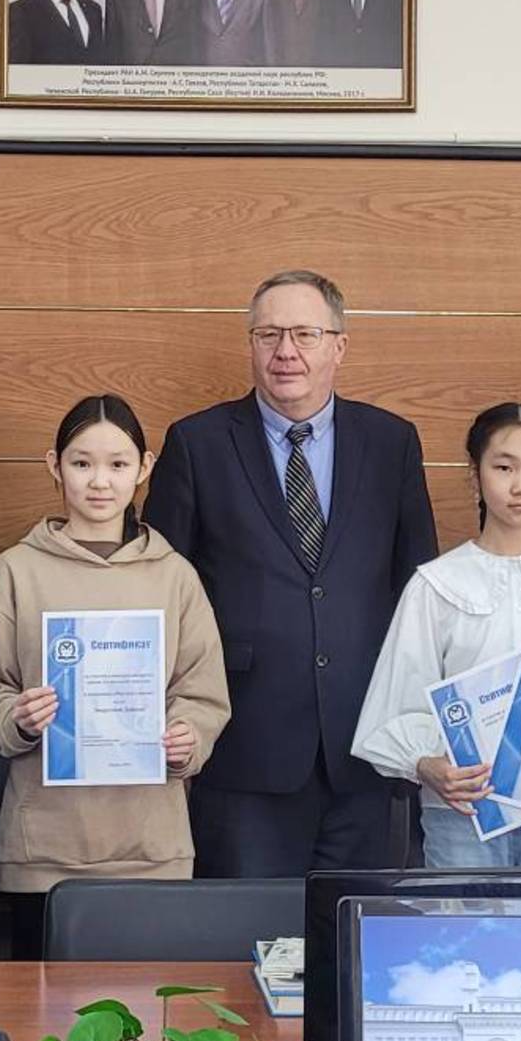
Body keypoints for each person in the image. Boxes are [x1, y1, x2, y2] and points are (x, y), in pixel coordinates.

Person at [146, 271, 438, 875]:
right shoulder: (197, 443)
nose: (286, 351)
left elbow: (418, 590)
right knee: (246, 925)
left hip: (365, 747)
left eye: (306, 334)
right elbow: (162, 594)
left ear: (339, 345)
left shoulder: (391, 443)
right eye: (269, 334)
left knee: (354, 923)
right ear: (251, 344)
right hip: (245, 748)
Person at [0, 396, 231, 955]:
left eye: (118, 464)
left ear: (144, 468)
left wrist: (188, 737)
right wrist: (19, 718)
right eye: (82, 463)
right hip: (43, 849)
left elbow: (202, 692)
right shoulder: (17, 570)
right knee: (42, 1007)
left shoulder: (174, 575)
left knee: (150, 1007)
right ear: (54, 465)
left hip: (152, 844)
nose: (100, 481)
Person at [356, 404, 521, 869]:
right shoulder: (436, 584)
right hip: (464, 812)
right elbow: (398, 699)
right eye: (504, 467)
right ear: (475, 475)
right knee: (466, 918)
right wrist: (426, 765)